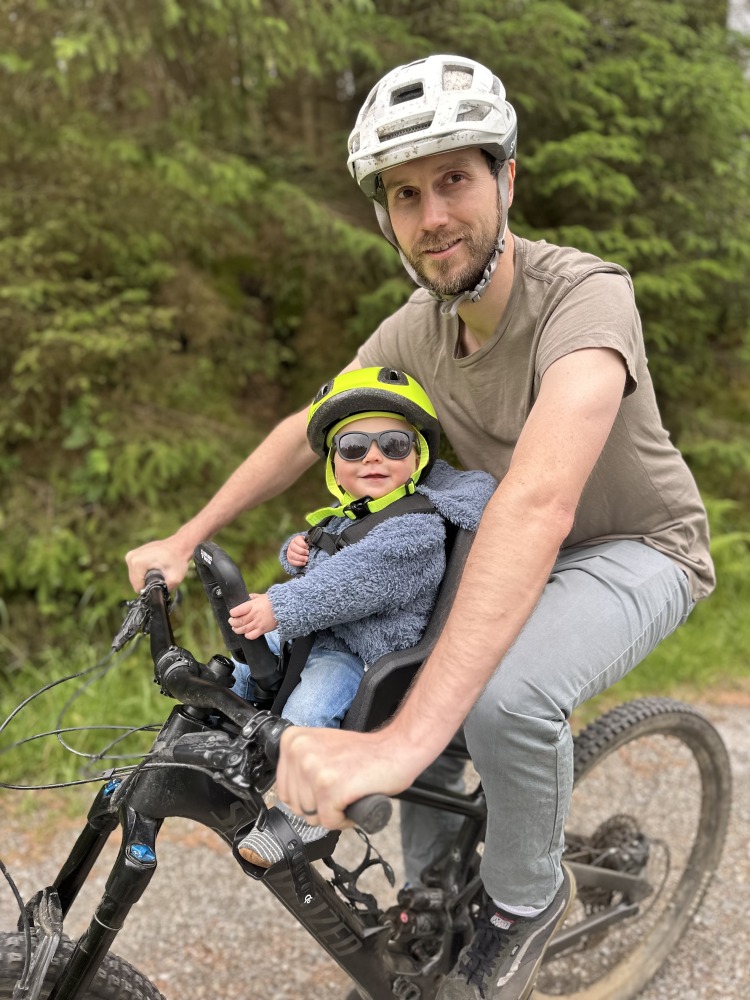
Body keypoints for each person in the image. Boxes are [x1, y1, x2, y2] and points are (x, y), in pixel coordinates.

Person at [126, 54, 715, 1000]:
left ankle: (527, 901)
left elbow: (538, 501)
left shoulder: (585, 297)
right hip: (500, 550)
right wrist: (187, 534)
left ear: (506, 179)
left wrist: (398, 749)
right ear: (387, 217)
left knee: (499, 699)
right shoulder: (415, 330)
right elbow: (305, 427)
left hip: (633, 550)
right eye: (406, 194)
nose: (433, 215)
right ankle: (440, 892)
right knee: (401, 683)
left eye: (455, 179)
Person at [227, 365, 496, 867]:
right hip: (320, 637)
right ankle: (219, 755)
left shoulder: (415, 532)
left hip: (362, 654)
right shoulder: (351, 513)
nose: (373, 456)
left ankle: (304, 818)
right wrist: (295, 552)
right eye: (353, 448)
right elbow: (323, 547)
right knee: (235, 676)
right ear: (335, 465)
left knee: (308, 712)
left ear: (416, 459)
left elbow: (349, 582)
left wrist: (280, 606)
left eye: (393, 445)